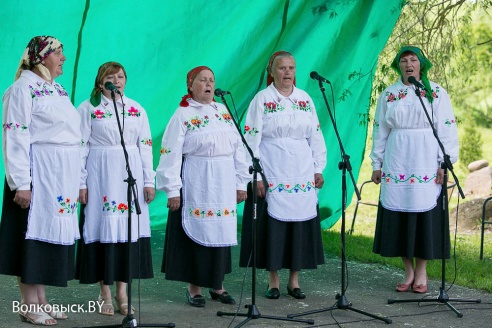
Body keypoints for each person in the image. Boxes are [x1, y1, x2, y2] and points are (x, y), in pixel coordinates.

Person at [0, 36, 81, 325]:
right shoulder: (21, 89)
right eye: (58, 53)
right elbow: (16, 135)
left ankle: (42, 299)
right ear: (41, 56)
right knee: (31, 237)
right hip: (38, 175)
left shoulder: (57, 90)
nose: (63, 58)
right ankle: (28, 303)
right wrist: (21, 183)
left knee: (47, 236)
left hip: (60, 177)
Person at [156, 66, 249, 307]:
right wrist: (172, 190)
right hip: (197, 180)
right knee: (197, 232)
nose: (208, 84)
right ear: (190, 85)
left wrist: (241, 183)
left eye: (211, 80)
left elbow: (238, 147)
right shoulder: (183, 114)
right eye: (202, 80)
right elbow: (170, 152)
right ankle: (194, 288)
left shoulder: (222, 111)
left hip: (223, 180)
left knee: (219, 231)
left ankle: (217, 286)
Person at [239, 51, 327, 300]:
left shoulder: (305, 99)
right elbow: (251, 137)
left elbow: (316, 136)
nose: (287, 72)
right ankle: (273, 281)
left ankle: (294, 281)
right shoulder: (262, 99)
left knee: (298, 224)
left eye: (291, 68)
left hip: (301, 169)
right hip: (272, 166)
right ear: (272, 71)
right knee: (274, 226)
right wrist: (255, 175)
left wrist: (318, 167)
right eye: (282, 68)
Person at [370, 46, 459, 294]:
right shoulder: (389, 94)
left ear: (422, 65)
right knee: (400, 215)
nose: (409, 64)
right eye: (404, 60)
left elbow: (447, 129)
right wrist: (376, 164)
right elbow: (380, 131)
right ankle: (407, 270)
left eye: (413, 60)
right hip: (397, 160)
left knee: (424, 215)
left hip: (426, 160)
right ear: (398, 66)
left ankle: (422, 271)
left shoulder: (436, 92)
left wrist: (444, 163)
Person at [76, 62, 155, 315]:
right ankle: (104, 293)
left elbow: (145, 146)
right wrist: (80, 182)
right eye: (111, 76)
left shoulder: (135, 109)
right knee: (103, 229)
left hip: (129, 177)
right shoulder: (88, 108)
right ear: (101, 81)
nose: (117, 80)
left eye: (121, 76)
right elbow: (80, 146)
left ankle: (123, 292)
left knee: (128, 231)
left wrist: (148, 180)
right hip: (100, 177)